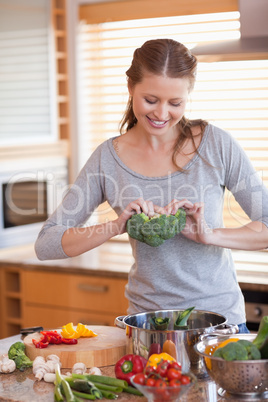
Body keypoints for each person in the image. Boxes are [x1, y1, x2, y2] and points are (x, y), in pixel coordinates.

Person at [35, 38, 268, 333]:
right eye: (151, 100)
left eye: (175, 103)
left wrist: (209, 235)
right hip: (147, 327)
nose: (161, 114)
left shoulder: (216, 145)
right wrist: (116, 225)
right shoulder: (108, 159)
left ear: (188, 96)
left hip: (219, 324)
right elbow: (47, 244)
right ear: (131, 87)